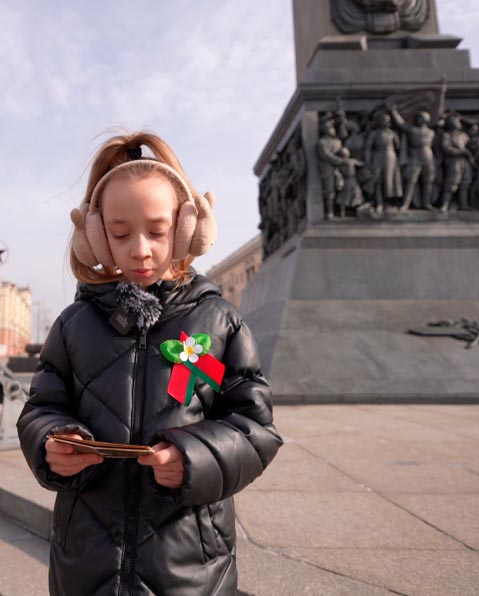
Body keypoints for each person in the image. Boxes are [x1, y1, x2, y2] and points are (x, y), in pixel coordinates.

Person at [18, 131, 283, 596]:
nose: (140, 249)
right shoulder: (72, 325)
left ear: (185, 228)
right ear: (96, 235)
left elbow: (254, 427)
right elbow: (40, 408)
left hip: (189, 564)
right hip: (87, 558)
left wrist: (194, 458)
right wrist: (51, 444)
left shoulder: (217, 321)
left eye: (157, 232)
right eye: (120, 233)